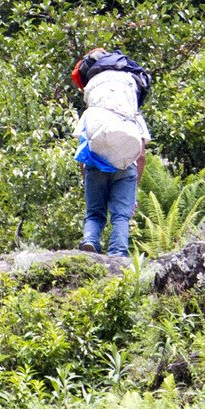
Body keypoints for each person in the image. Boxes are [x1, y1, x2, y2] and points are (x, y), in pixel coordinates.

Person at [73, 47, 151, 259]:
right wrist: (134, 185)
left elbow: (82, 146)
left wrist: (87, 175)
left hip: (95, 164)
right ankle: (117, 254)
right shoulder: (133, 116)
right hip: (126, 169)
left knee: (94, 213)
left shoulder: (92, 114)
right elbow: (141, 154)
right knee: (121, 217)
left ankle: (90, 242)